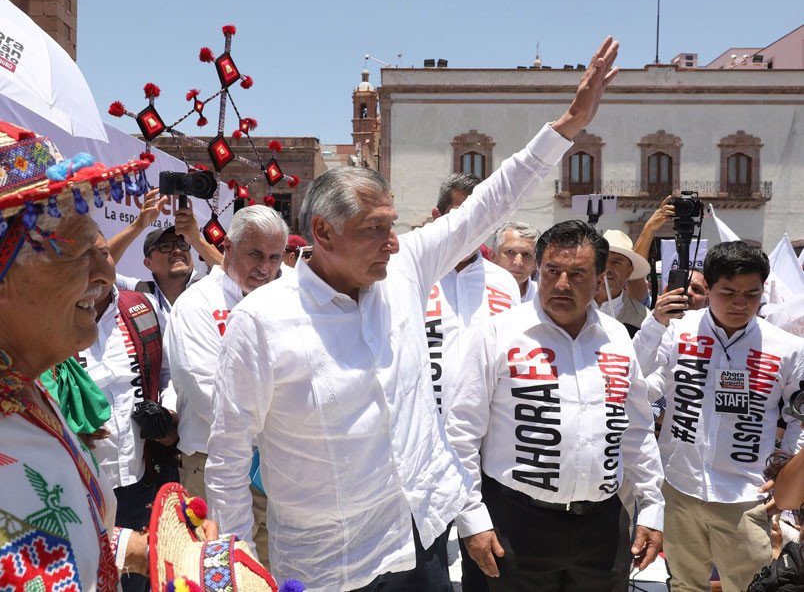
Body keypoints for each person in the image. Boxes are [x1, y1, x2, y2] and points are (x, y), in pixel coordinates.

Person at [204, 37, 621, 591]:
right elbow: (228, 456)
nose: (393, 242)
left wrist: (567, 126)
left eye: (393, 224)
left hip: (420, 540)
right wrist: (231, 572)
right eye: (375, 229)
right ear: (323, 232)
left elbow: (488, 204)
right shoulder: (261, 321)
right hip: (329, 565)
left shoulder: (402, 273)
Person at [0, 100, 165, 588]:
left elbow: (28, 537)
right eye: (81, 249)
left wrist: (140, 551)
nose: (107, 273)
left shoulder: (11, 382)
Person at [447, 220, 664, 591]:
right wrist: (472, 520)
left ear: (599, 280)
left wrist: (652, 506)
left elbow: (637, 430)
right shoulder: (499, 334)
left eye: (577, 274)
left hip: (602, 530)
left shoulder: (616, 338)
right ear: (539, 271)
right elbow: (461, 432)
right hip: (512, 527)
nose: (562, 284)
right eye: (552, 271)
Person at [634, 241, 804, 592]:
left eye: (751, 294)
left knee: (752, 587)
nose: (740, 303)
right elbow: (634, 379)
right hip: (679, 486)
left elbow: (798, 418)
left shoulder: (788, 348)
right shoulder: (676, 329)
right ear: (708, 288)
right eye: (728, 293)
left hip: (746, 495)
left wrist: (785, 468)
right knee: (685, 584)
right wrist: (654, 323)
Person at [166, 204, 289, 569]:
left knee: (268, 571)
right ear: (229, 247)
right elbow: (205, 391)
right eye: (255, 254)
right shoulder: (197, 304)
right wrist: (279, 424)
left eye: (274, 257)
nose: (265, 267)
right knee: (220, 569)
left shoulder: (281, 301)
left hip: (272, 464)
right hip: (213, 463)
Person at [425, 174, 521, 591]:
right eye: (461, 215)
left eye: (481, 218)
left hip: (488, 451)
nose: (471, 227)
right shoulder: (413, 276)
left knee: (486, 570)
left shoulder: (504, 284)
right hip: (423, 451)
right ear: (438, 216)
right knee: (423, 571)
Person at [78, 231, 177, 591]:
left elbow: (168, 372)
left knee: (138, 582)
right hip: (82, 490)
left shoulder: (141, 307)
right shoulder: (51, 320)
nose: (96, 267)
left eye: (103, 254)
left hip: (139, 483)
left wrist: (168, 413)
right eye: (83, 258)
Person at [109, 188, 223, 327]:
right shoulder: (137, 291)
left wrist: (196, 240)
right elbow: (95, 267)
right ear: (148, 263)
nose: (177, 250)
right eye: (165, 246)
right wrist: (138, 225)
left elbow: (234, 277)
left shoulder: (207, 289)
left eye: (183, 244)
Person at [595, 229, 651, 335]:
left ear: (629, 271)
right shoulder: (573, 308)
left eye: (616, 262)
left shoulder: (643, 319)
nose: (607, 268)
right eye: (603, 260)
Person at [492, 221, 540, 303]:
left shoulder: (544, 298)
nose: (518, 262)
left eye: (527, 254)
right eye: (510, 252)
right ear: (493, 256)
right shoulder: (476, 290)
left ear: (535, 263)